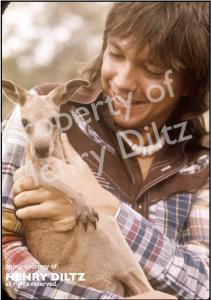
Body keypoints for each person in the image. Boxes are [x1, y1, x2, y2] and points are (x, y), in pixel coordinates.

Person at [2, 2, 209, 299]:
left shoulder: (201, 163)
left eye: (152, 69)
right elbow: (7, 249)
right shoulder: (42, 109)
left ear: (190, 80)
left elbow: (203, 283)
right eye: (115, 53)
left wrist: (108, 208)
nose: (123, 82)